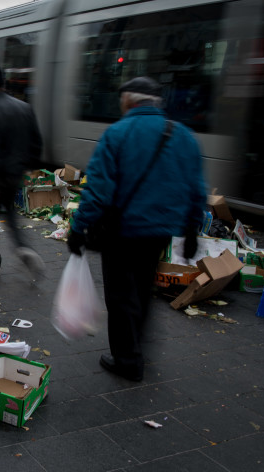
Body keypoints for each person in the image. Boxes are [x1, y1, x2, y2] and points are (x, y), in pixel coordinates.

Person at [67, 76, 206, 383]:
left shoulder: (117, 133)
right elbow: (196, 190)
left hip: (122, 232)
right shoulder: (182, 135)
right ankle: (137, 347)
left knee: (119, 295)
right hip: (159, 232)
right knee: (143, 290)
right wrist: (193, 230)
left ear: (128, 101)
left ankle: (127, 359)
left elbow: (99, 191)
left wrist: (78, 228)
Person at [0, 66, 45, 279]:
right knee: (12, 217)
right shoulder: (25, 108)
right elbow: (37, 144)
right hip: (15, 176)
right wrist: (24, 168)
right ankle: (25, 248)